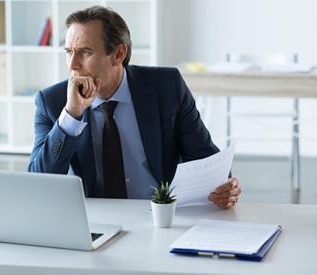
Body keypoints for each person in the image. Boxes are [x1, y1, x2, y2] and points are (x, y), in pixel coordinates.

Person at [28, 6, 241, 208]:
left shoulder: (167, 87)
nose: (73, 65)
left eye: (85, 52)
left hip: (159, 214)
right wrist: (71, 116)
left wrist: (224, 187)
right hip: (94, 219)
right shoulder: (52, 102)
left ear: (119, 53)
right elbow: (38, 184)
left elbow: (205, 159)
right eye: (68, 51)